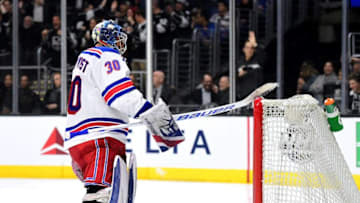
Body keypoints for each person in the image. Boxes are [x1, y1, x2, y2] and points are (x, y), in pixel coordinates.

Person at [65, 20, 184, 203]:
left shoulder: (85, 59)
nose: (122, 43)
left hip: (81, 141)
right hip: (101, 139)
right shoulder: (107, 56)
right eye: (118, 38)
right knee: (101, 195)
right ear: (108, 38)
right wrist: (148, 111)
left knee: (104, 192)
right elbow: (119, 94)